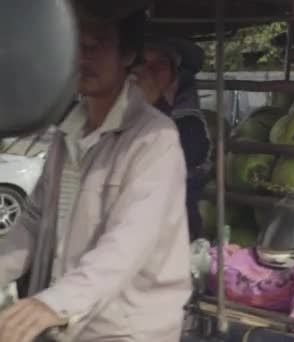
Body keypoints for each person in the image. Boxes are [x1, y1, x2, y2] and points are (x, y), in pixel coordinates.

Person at [0, 8, 192, 342]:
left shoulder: (155, 138)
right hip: (69, 324)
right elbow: (32, 220)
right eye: (78, 43)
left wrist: (53, 304)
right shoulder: (67, 132)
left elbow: (128, 242)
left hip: (127, 330)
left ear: (128, 54)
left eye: (98, 43)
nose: (84, 54)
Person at [134, 35, 212, 242]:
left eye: (160, 64)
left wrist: (155, 102)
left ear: (174, 75)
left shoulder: (189, 125)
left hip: (174, 239)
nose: (149, 72)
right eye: (143, 63)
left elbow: (168, 160)